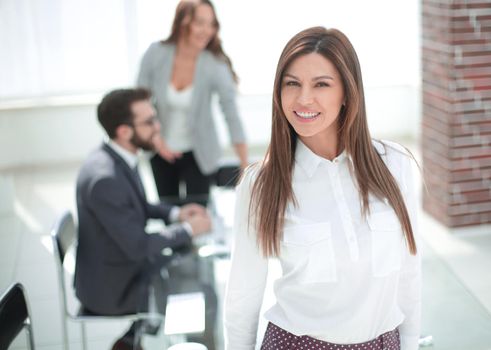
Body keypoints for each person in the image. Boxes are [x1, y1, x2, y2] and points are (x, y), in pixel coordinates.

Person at [224, 27, 421, 350]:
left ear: (347, 92)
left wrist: (410, 344)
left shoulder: (395, 165)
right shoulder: (262, 183)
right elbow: (243, 294)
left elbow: (409, 274)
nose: (303, 99)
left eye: (321, 84)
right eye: (292, 84)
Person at [74, 88, 212, 350]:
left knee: (186, 264)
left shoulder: (116, 156)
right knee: (191, 281)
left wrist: (175, 213)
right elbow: (138, 245)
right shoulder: (106, 178)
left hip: (119, 262)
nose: (158, 127)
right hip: (114, 287)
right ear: (124, 131)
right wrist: (188, 229)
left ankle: (135, 338)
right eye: (149, 122)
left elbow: (137, 206)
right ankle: (145, 336)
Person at [137, 0, 248, 206]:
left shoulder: (214, 64)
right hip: (160, 149)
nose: (207, 30)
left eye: (211, 24)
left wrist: (244, 164)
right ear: (182, 22)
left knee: (198, 214)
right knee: (168, 211)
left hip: (198, 153)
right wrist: (156, 140)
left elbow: (231, 113)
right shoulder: (155, 53)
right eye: (200, 22)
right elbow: (139, 103)